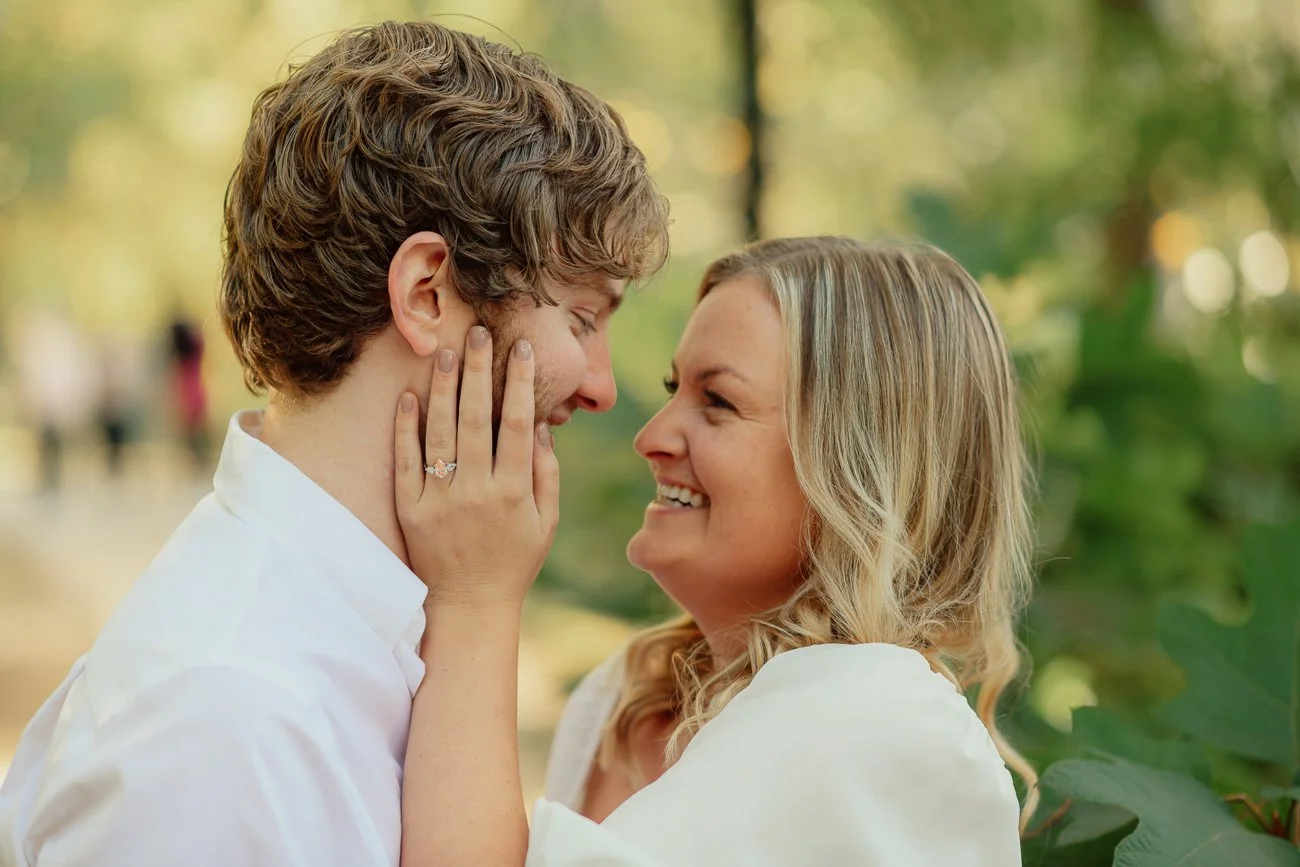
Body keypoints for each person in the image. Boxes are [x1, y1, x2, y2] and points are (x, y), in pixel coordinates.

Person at [0, 20, 667, 867]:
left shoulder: (341, 641)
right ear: (428, 294)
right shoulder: (225, 715)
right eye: (581, 317)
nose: (603, 385)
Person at [396, 237, 1036, 865]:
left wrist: (474, 598)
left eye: (719, 401)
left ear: (864, 467)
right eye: (675, 389)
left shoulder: (880, 716)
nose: (651, 437)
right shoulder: (621, 699)